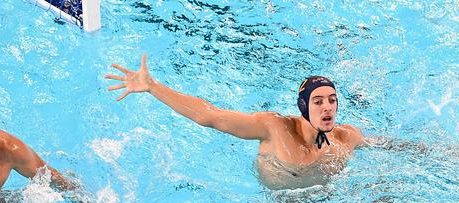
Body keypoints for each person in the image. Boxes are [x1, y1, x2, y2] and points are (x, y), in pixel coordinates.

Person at [106, 56, 368, 189]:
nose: (327, 107)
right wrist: (152, 86)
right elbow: (209, 116)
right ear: (303, 106)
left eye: (332, 100)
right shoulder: (274, 128)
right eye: (318, 101)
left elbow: (385, 148)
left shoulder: (345, 137)